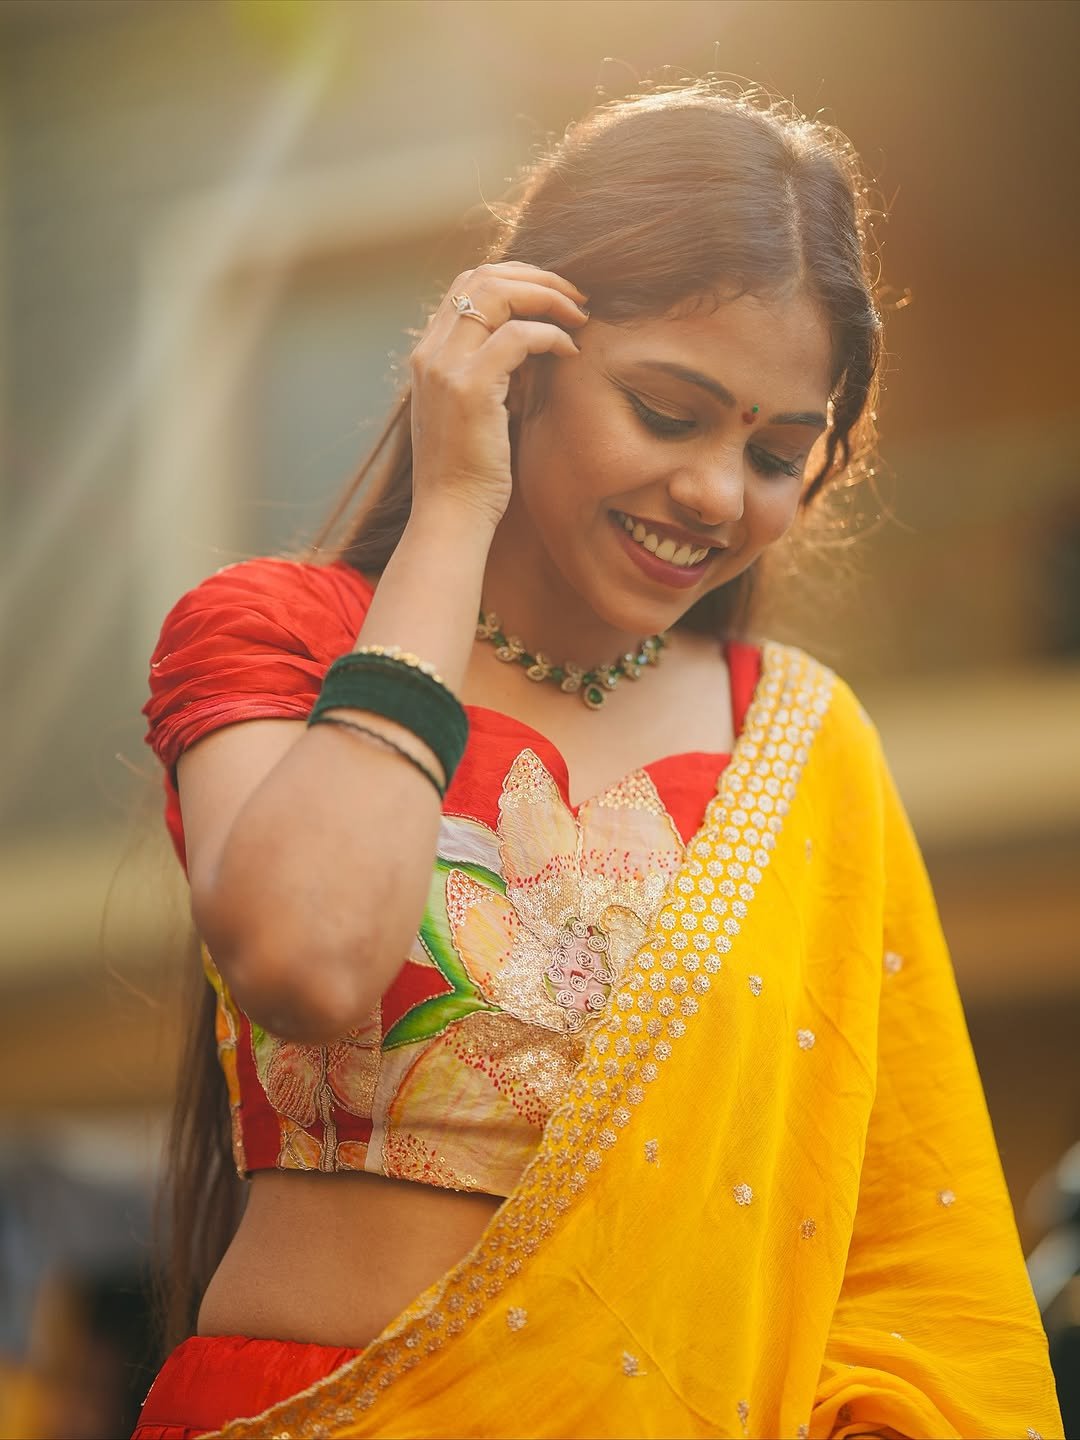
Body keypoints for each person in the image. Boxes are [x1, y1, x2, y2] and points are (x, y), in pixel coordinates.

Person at [133, 82, 1063, 1440]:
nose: (714, 493)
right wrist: (456, 503)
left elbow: (909, 1274)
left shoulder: (798, 752)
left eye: (778, 453)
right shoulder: (282, 636)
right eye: (670, 412)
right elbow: (309, 956)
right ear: (525, 358)